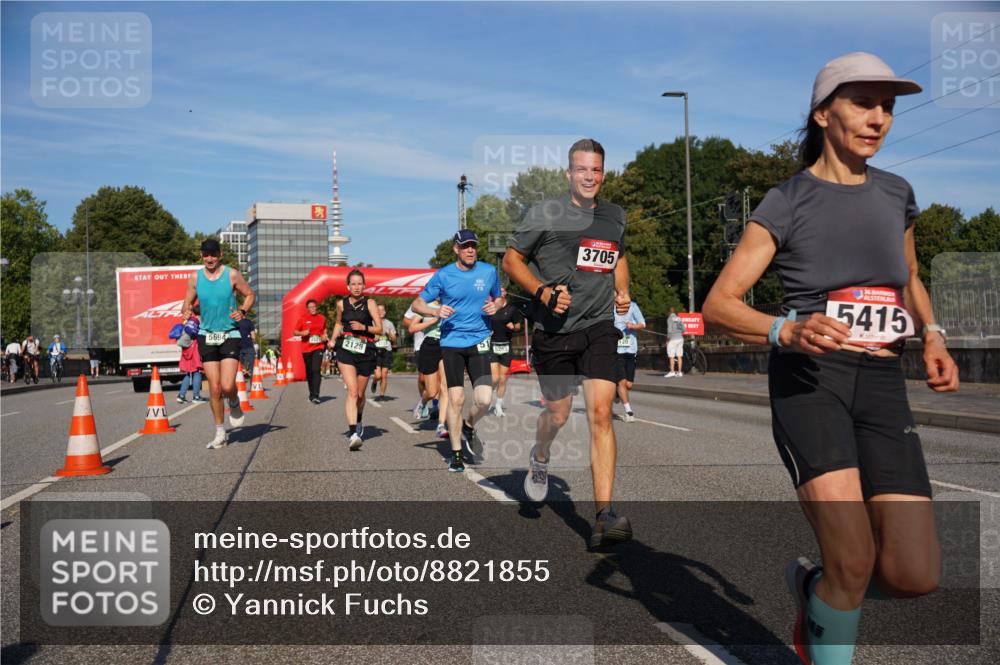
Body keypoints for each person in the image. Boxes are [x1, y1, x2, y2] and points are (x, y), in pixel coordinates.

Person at [702, 52, 959, 665]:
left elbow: (911, 279)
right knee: (852, 557)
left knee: (914, 573)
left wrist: (933, 334)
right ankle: (833, 599)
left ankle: (817, 592)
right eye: (863, 103)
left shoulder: (898, 193)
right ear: (823, 113)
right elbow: (719, 304)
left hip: (881, 381)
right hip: (811, 382)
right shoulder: (787, 200)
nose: (879, 119)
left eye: (888, 107)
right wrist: (785, 330)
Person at [502, 137, 634, 550]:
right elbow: (511, 260)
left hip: (599, 326)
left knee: (600, 414)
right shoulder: (546, 214)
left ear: (603, 173)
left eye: (596, 170)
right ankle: (540, 457)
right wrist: (542, 292)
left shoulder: (614, 216)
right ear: (569, 174)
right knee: (557, 416)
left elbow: (619, 256)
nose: (589, 176)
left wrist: (623, 291)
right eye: (582, 169)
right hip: (555, 332)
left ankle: (604, 515)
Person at [411, 230, 502, 473]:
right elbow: (417, 304)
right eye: (465, 246)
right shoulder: (443, 276)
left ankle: (469, 426)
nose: (470, 250)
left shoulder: (488, 271)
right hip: (451, 342)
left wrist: (496, 305)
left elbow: (500, 298)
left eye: (473, 246)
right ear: (456, 249)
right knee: (456, 398)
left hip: (480, 340)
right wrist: (434, 312)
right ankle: (456, 454)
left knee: (484, 399)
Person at [182, 238, 255, 450]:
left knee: (227, 385)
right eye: (206, 254)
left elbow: (250, 294)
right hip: (206, 334)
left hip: (229, 333)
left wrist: (242, 311)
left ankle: (234, 401)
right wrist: (186, 310)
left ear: (220, 254)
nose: (210, 258)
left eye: (213, 254)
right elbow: (186, 303)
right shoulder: (195, 277)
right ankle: (220, 433)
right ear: (201, 256)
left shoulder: (231, 274)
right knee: (214, 388)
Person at [331, 269, 382, 450]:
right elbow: (338, 323)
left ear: (364, 285)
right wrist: (332, 339)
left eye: (360, 283)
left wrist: (363, 327)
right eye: (353, 284)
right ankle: (353, 432)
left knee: (360, 395)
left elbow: (379, 329)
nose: (357, 287)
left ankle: (359, 420)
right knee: (352, 392)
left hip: (366, 349)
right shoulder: (341, 304)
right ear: (348, 286)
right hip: (346, 348)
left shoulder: (370, 303)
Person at [404, 302, 449, 439]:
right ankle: (422, 403)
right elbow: (412, 328)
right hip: (430, 345)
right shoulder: (424, 306)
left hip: (448, 345)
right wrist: (434, 320)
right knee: (432, 391)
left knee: (445, 387)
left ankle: (441, 425)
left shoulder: (451, 303)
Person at [489, 288, 522, 417]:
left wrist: (513, 327)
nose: (499, 293)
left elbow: (519, 327)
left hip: (506, 347)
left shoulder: (512, 309)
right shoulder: (491, 309)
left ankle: (498, 405)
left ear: (505, 294)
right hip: (493, 346)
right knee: (495, 378)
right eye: (498, 291)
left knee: (503, 379)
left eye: (501, 291)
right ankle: (487, 399)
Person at [614, 300, 645, 422]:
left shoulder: (633, 306)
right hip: (615, 350)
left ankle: (617, 394)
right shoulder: (608, 309)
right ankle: (629, 412)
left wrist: (633, 326)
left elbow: (642, 323)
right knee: (621, 382)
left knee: (628, 385)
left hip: (631, 349)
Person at [294, 299, 328, 404]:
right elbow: (295, 331)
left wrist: (324, 336)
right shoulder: (303, 319)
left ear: (316, 307)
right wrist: (302, 333)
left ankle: (316, 395)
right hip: (306, 348)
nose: (313, 308)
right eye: (310, 307)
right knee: (309, 372)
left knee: (316, 369)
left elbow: (324, 330)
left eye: (314, 306)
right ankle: (311, 393)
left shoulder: (322, 318)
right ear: (307, 308)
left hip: (318, 347)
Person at [370, 304, 397, 400]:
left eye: (382, 310)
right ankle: (374, 381)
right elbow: (367, 337)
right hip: (375, 350)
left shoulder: (389, 323)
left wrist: (390, 334)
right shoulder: (372, 323)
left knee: (384, 374)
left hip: (387, 350)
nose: (381, 312)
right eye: (378, 310)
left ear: (385, 312)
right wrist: (374, 338)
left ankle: (382, 395)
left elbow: (394, 340)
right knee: (378, 375)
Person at [177, 314, 204, 404]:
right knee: (197, 372)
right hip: (195, 348)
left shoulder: (188, 320)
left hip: (186, 349)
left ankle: (181, 395)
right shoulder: (200, 320)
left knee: (189, 373)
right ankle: (196, 396)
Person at [665, 308, 686, 377]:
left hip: (673, 339)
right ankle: (679, 372)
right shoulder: (679, 318)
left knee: (671, 356)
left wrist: (668, 339)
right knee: (679, 355)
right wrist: (679, 333)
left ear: (669, 313)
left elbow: (669, 330)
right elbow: (683, 329)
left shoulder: (669, 319)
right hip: (680, 338)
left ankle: (672, 371)